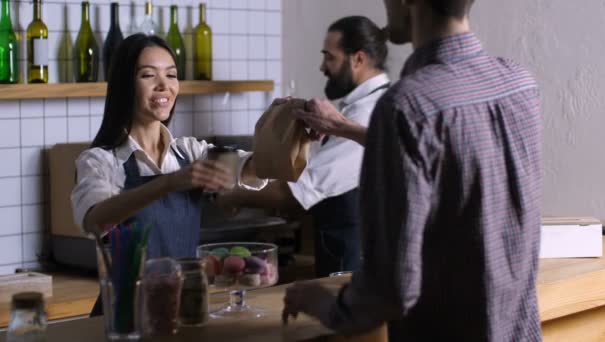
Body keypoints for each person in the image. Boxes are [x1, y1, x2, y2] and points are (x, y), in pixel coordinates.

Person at [283, 0, 543, 341]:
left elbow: (390, 289)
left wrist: (322, 302)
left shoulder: (405, 107)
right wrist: (345, 126)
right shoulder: (519, 84)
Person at [70, 34, 267, 315]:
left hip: (181, 308)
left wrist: (287, 128)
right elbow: (95, 220)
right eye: (149, 75)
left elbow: (257, 168)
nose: (164, 85)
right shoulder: (100, 160)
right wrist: (170, 182)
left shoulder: (189, 151)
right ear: (125, 85)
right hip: (125, 315)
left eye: (172, 75)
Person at [218, 16, 390, 277]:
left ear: (358, 59)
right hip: (341, 246)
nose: (322, 66)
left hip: (351, 256)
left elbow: (299, 189)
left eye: (329, 57)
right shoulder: (360, 106)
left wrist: (229, 195)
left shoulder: (366, 113)